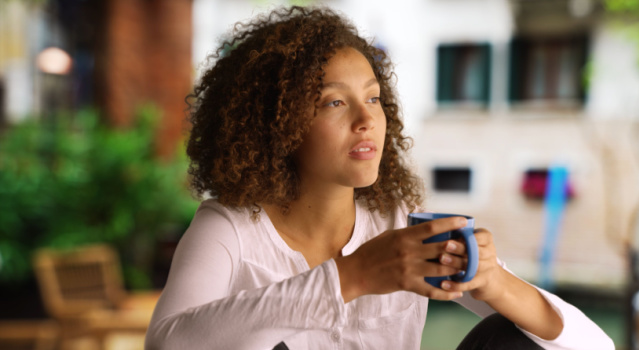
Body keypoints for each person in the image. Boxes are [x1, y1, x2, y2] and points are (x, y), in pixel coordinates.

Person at [145, 6, 614, 350]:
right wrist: (354, 275)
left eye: (372, 99)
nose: (366, 120)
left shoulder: (399, 226)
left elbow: (594, 347)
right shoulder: (230, 228)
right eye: (334, 101)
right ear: (276, 122)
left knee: (509, 338)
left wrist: (491, 281)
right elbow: (167, 343)